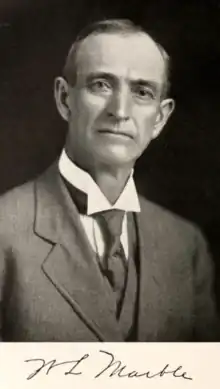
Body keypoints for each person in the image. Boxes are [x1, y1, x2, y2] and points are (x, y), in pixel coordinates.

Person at [0, 19, 218, 341]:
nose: (119, 110)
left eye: (142, 92)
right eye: (101, 85)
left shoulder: (186, 246)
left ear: (159, 118)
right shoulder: (5, 230)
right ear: (64, 99)